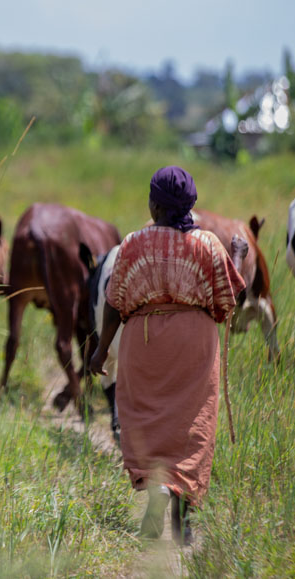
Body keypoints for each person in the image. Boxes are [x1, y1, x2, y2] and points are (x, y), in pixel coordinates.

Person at [89, 165, 247, 544]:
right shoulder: (208, 244)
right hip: (195, 343)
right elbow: (230, 297)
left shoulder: (131, 244)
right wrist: (238, 255)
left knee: (146, 418)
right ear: (189, 204)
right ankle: (184, 519)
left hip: (143, 342)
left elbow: (113, 303)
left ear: (153, 205)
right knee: (192, 425)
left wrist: (100, 350)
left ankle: (158, 491)